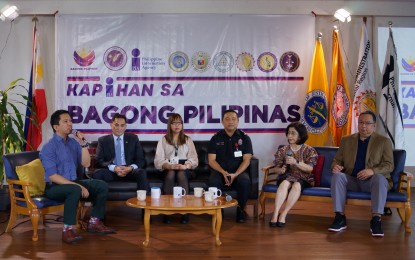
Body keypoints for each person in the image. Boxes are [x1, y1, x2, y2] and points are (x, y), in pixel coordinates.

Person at [40, 110, 115, 244]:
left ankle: (94, 222)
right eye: (65, 121)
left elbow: (86, 163)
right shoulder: (48, 147)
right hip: (54, 187)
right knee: (73, 189)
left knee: (101, 185)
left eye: (70, 121)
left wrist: (83, 144)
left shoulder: (73, 143)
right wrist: (78, 186)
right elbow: (52, 176)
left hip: (73, 183)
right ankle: (67, 230)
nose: (70, 124)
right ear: (56, 127)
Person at [329, 110, 394, 237]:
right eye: (361, 122)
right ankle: (340, 217)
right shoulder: (346, 140)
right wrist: (335, 166)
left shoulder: (383, 142)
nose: (363, 126)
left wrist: (372, 171)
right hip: (352, 180)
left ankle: (376, 219)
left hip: (371, 182)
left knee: (380, 179)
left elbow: (389, 165)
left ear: (374, 126)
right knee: (337, 177)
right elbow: (337, 159)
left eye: (368, 123)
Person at [269, 122, 318, 227]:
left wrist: (296, 162)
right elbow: (276, 168)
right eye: (288, 133)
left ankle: (283, 214)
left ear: (300, 135)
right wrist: (280, 170)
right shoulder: (283, 150)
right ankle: (275, 213)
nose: (289, 136)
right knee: (284, 184)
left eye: (293, 133)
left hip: (304, 177)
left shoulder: (310, 150)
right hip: (287, 175)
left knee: (296, 185)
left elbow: (310, 169)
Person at [208, 109, 253, 223]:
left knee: (245, 181)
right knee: (213, 181)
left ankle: (241, 209)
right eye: (227, 119)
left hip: (239, 172)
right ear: (222, 122)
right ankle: (218, 210)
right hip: (219, 171)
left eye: (233, 119)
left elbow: (247, 160)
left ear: (238, 121)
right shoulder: (216, 138)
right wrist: (223, 172)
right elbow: (211, 160)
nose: (230, 122)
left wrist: (235, 174)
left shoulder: (244, 138)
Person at [154, 113, 198, 224]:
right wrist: (170, 166)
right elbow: (158, 160)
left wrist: (185, 166)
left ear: (182, 125)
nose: (177, 125)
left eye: (179, 123)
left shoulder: (188, 139)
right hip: (168, 167)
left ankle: (185, 211)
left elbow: (194, 159)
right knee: (171, 173)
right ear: (169, 125)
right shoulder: (163, 140)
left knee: (181, 174)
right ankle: (167, 211)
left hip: (185, 167)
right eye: (174, 123)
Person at [93, 113, 149, 192]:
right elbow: (99, 161)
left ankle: (145, 201)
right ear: (111, 125)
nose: (119, 128)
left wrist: (130, 168)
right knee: (97, 174)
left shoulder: (133, 138)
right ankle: (99, 202)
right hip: (112, 172)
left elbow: (141, 160)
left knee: (141, 172)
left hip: (129, 171)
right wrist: (115, 168)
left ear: (125, 127)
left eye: (122, 125)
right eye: (116, 125)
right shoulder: (103, 140)